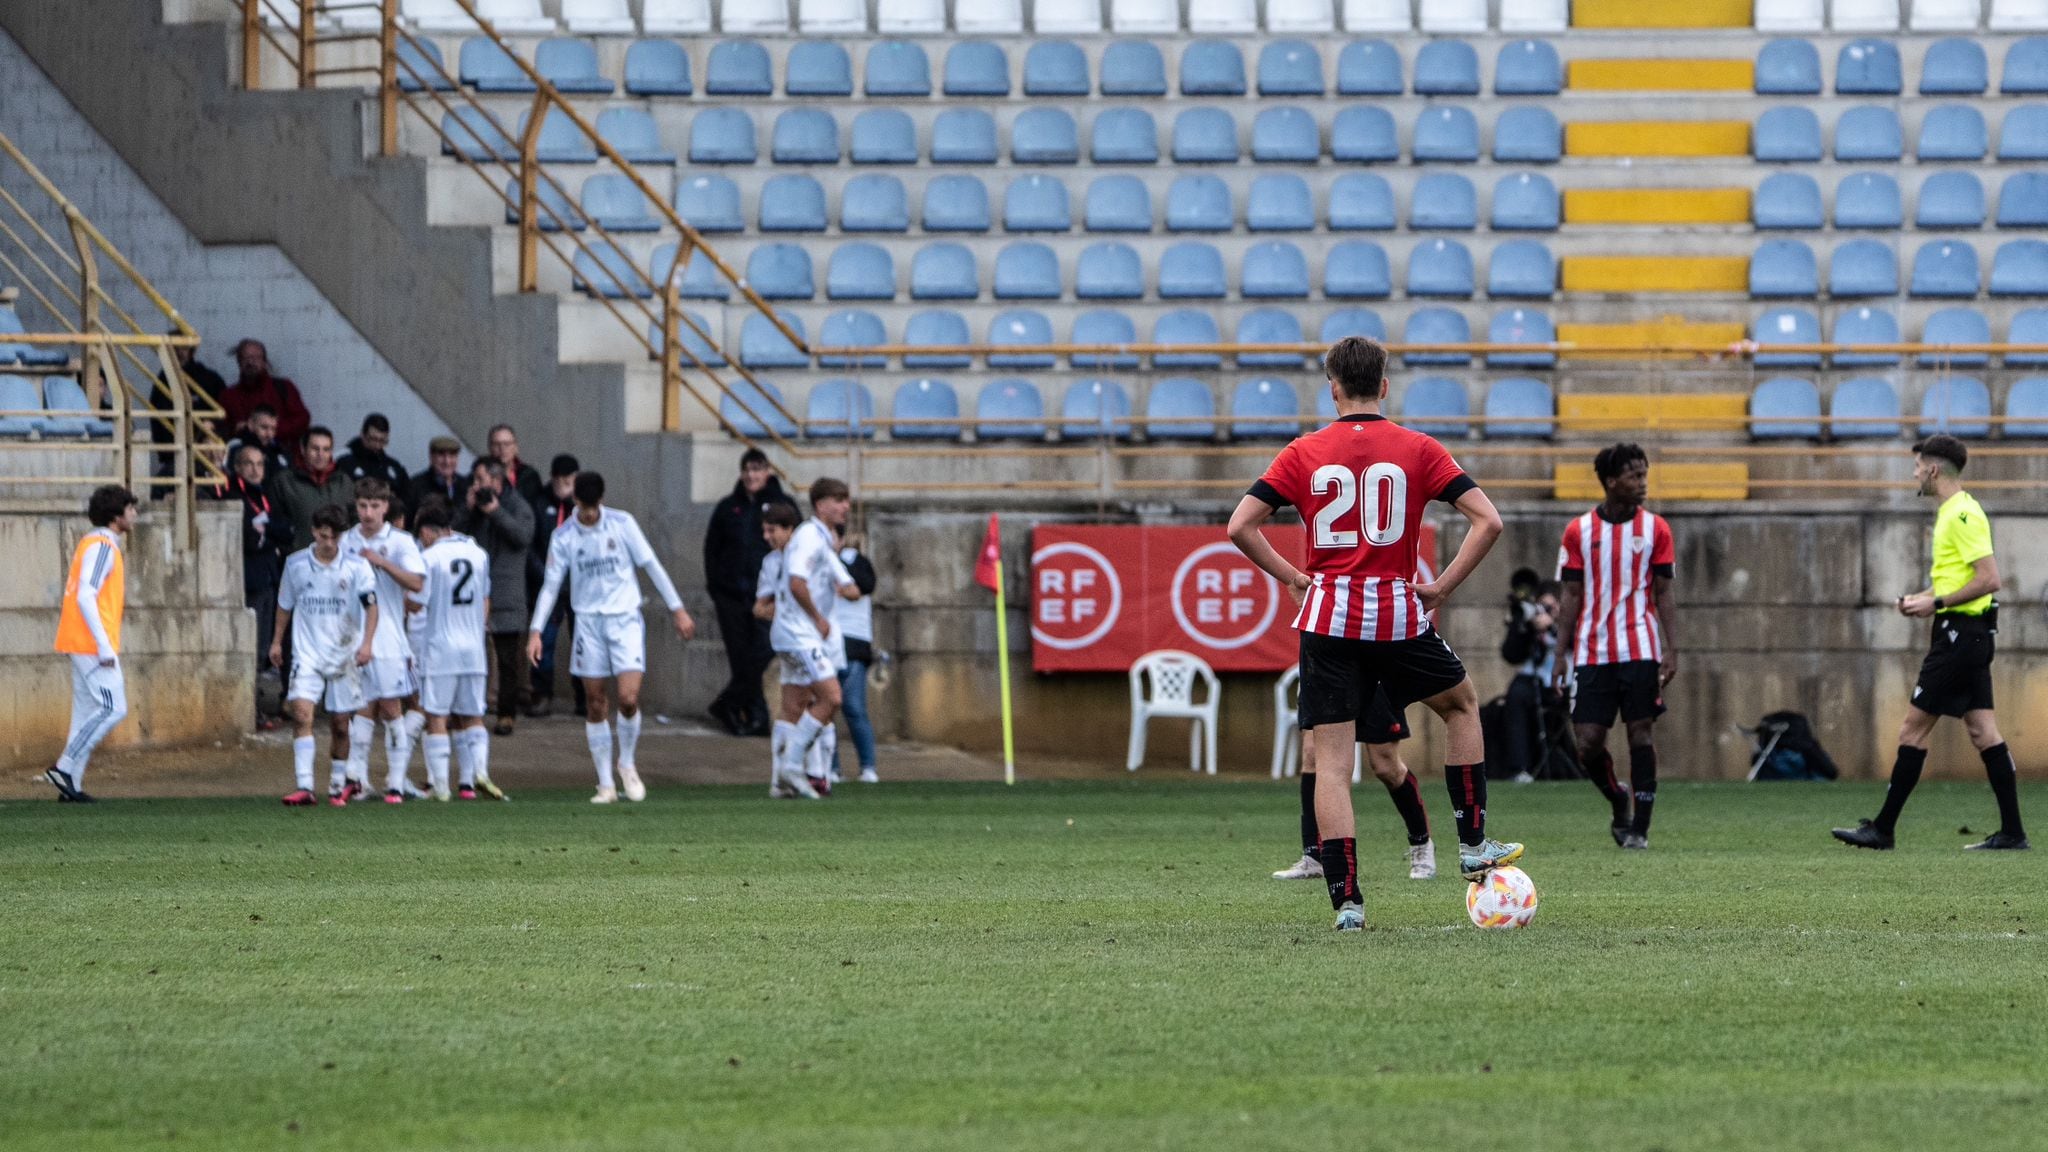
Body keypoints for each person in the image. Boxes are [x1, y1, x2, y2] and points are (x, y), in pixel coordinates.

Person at [1227, 336, 1518, 932]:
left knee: (1331, 764)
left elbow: (1241, 526)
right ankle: (1471, 843)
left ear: (1332, 387)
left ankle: (1349, 905)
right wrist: (1440, 588)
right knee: (1462, 707)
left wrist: (1295, 578)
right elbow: (1489, 521)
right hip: (1395, 613)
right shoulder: (1418, 447)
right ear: (1385, 386)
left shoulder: (1303, 452)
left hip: (1328, 617)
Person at [1834, 435, 2028, 852]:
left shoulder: (1961, 515)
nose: (1915, 472)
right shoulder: (1953, 512)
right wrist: (1924, 598)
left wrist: (1936, 603)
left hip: (1960, 637)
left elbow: (1989, 579)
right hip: (1967, 634)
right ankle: (2013, 832)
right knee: (1983, 731)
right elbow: (1960, 579)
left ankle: (1883, 829)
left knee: (1911, 729)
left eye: (1918, 465)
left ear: (1934, 469)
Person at [525, 471, 695, 804]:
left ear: (600, 500)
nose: (588, 513)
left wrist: (678, 609)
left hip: (625, 619)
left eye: (593, 507)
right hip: (588, 623)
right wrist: (535, 631)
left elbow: (652, 565)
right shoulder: (564, 536)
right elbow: (550, 586)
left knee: (629, 698)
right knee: (595, 700)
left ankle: (626, 762)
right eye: (583, 507)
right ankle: (605, 783)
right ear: (575, 501)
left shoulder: (623, 524)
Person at [1551, 443, 1679, 851]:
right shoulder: (1578, 531)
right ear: (1611, 481)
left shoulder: (1656, 529)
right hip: (1592, 651)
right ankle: (1617, 797)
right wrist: (1559, 653)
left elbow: (1664, 593)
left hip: (1640, 646)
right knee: (1587, 743)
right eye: (1634, 476)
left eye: (1644, 474)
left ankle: (1640, 828)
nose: (1643, 483)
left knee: (1641, 734)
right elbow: (1570, 595)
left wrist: (1670, 648)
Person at [1272, 688, 1438, 882]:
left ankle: (1421, 843)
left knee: (1385, 765)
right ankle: (1314, 856)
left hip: (1373, 675)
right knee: (1312, 754)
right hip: (1324, 671)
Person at [274, 504, 378, 806]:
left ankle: (336, 783)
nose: (329, 543)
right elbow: (284, 605)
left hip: (345, 656)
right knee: (302, 714)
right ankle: (305, 786)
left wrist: (367, 644)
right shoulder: (296, 565)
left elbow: (372, 606)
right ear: (313, 532)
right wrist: (277, 642)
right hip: (307, 655)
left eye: (334, 537)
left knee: (340, 724)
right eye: (323, 536)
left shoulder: (357, 567)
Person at [765, 482, 863, 800]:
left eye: (846, 500)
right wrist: (818, 618)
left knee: (793, 706)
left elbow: (852, 587)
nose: (846, 507)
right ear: (821, 505)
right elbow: (796, 582)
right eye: (839, 500)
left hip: (789, 631)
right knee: (832, 698)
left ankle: (780, 783)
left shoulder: (819, 537)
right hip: (798, 632)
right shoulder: (809, 535)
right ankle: (793, 765)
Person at [46, 486, 139, 802]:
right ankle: (64, 766)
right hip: (90, 643)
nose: (134, 514)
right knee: (114, 708)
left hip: (79, 640)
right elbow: (87, 593)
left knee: (86, 712)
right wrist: (104, 646)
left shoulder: (94, 543)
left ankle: (71, 784)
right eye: (130, 509)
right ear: (116, 516)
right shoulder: (102, 546)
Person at [338, 478, 428, 803]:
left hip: (389, 636)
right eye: (362, 506)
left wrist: (384, 563)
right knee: (360, 708)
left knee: (391, 706)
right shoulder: (345, 540)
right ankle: (359, 782)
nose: (368, 513)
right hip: (352, 636)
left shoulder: (401, 542)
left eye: (375, 506)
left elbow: (416, 583)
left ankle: (396, 781)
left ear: (386, 507)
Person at [411, 502, 504, 802]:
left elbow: (416, 602)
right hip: (473, 647)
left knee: (437, 715)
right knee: (472, 714)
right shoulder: (478, 554)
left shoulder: (430, 557)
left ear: (426, 532)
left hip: (441, 647)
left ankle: (440, 787)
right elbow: (486, 598)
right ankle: (476, 776)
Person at [703, 448, 798, 736]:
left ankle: (729, 703)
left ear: (768, 472)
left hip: (768, 597)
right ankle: (752, 715)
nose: (751, 475)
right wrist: (718, 587)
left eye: (757, 469)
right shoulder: (727, 507)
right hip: (731, 597)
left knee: (761, 653)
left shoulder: (783, 506)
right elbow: (712, 550)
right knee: (740, 656)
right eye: (747, 469)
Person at [458, 458, 534, 736]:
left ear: (497, 481)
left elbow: (522, 536)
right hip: (473, 591)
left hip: (506, 591)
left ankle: (506, 714)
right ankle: (467, 711)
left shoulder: (518, 506)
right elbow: (452, 533)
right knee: (470, 654)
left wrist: (495, 511)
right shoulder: (472, 506)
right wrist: (468, 510)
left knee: (507, 659)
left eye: (480, 479)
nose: (475, 485)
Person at [212, 444, 294, 692]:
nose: (255, 469)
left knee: (264, 645)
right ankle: (251, 704)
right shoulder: (234, 495)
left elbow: (286, 531)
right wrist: (269, 537)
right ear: (237, 468)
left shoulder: (266, 493)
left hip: (270, 578)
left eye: (259, 464)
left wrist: (266, 532)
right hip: (250, 579)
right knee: (251, 645)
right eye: (249, 464)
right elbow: (247, 538)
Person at [527, 454, 583, 719]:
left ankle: (584, 696)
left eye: (569, 481)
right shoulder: (539, 504)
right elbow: (531, 546)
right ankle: (542, 694)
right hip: (548, 585)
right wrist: (547, 575)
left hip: (578, 588)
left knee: (582, 642)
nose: (564, 486)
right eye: (559, 481)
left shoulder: (583, 507)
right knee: (544, 642)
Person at [1500, 573, 1562, 782]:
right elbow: (1511, 654)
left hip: (1564, 682)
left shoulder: (1572, 622)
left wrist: (1554, 625)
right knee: (1515, 695)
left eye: (1550, 607)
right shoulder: (1530, 622)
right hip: (1533, 682)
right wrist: (1523, 628)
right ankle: (1519, 768)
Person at [834, 530, 881, 784]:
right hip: (826, 641)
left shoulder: (854, 560)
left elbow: (867, 583)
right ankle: (831, 768)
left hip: (853, 643)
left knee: (854, 707)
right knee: (824, 710)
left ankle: (868, 766)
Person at [267, 426, 355, 548]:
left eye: (326, 449)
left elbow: (354, 518)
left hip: (337, 559)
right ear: (303, 449)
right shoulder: (284, 481)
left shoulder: (343, 481)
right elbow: (275, 521)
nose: (320, 454)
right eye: (315, 448)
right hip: (298, 558)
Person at [151, 337, 226, 474]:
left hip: (205, 449)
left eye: (184, 348)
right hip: (173, 454)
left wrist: (212, 426)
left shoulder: (209, 379)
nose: (179, 353)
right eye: (175, 349)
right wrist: (164, 452)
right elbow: (156, 419)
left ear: (192, 351)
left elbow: (224, 413)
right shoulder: (162, 380)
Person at [219, 339, 310, 448]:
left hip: (280, 455)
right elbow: (221, 430)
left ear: (264, 361)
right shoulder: (228, 396)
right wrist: (236, 430)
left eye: (256, 357)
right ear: (239, 361)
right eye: (246, 358)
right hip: (243, 459)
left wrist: (268, 429)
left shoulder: (284, 387)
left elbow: (303, 420)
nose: (251, 362)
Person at [336, 413, 411, 491]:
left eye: (382, 441)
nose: (377, 445)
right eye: (373, 439)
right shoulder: (343, 461)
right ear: (362, 434)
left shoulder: (394, 467)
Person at [486, 424, 546, 510]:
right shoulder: (481, 475)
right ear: (490, 447)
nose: (502, 448)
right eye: (497, 444)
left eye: (507, 444)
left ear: (515, 447)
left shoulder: (529, 476)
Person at [226, 405, 292, 479]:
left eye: (273, 429)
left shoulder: (279, 452)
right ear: (250, 425)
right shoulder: (235, 446)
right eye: (264, 427)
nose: (269, 434)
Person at [408, 436, 470, 511]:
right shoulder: (415, 486)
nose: (447, 462)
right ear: (431, 457)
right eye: (441, 455)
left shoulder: (466, 486)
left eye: (452, 455)